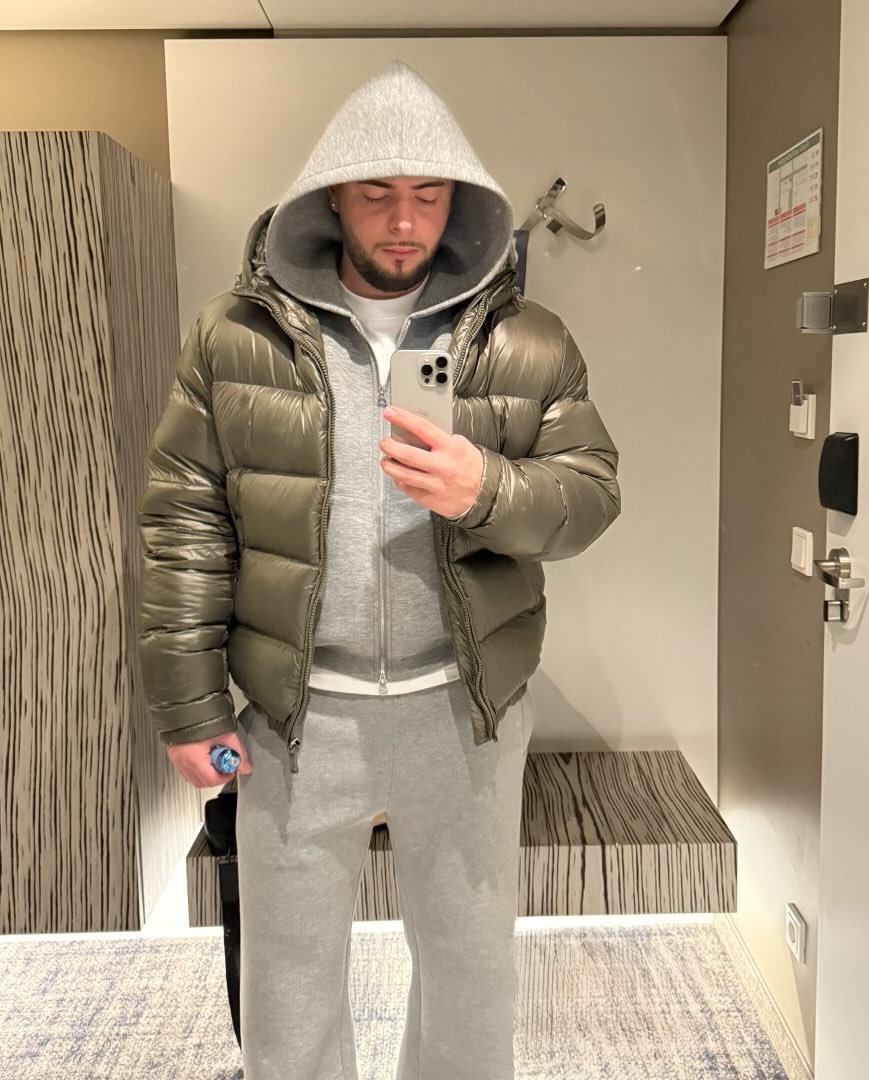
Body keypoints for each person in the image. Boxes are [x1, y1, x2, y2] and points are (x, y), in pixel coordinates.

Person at [137, 59, 620, 1080]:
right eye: (377, 193)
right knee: (288, 982)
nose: (404, 222)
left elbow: (589, 494)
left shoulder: (526, 342)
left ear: (461, 203)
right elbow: (185, 520)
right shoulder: (235, 336)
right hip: (297, 716)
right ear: (329, 198)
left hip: (464, 708)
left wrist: (486, 487)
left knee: (471, 975)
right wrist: (189, 709)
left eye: (428, 195)